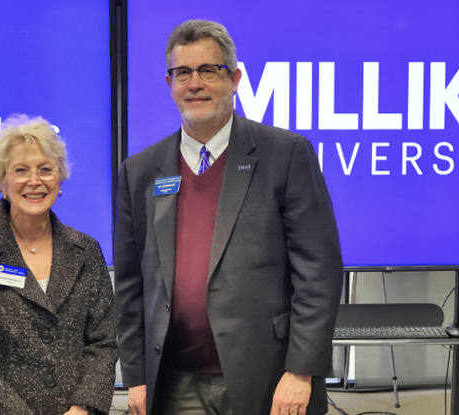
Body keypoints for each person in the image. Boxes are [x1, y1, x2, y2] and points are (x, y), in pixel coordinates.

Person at [114, 20, 344, 415]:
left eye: (208, 70)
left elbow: (319, 272)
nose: (194, 83)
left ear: (234, 79)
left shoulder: (285, 155)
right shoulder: (140, 172)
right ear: (169, 83)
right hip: (173, 383)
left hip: (267, 379)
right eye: (182, 72)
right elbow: (131, 284)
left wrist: (301, 371)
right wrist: (136, 376)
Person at [0, 115, 118, 415]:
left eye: (46, 170)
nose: (34, 181)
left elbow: (103, 340)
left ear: (60, 178)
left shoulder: (86, 251)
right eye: (21, 170)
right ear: (2, 181)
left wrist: (83, 408)